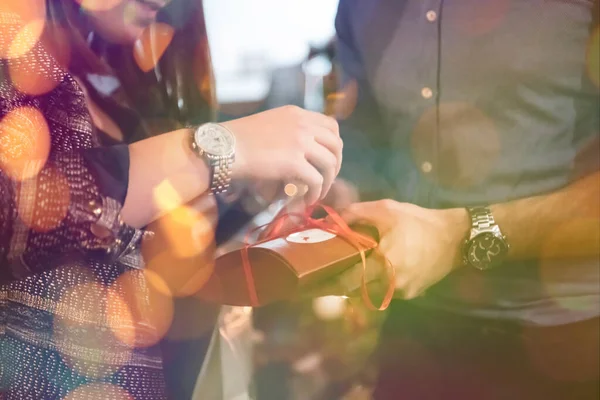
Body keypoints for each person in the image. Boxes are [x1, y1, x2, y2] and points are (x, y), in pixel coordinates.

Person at [0, 0, 342, 398]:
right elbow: (20, 212)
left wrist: (256, 196)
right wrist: (218, 149)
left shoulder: (115, 79)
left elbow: (136, 243)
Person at [327, 0, 600, 398]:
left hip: (565, 337)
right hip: (412, 327)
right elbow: (368, 138)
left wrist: (456, 237)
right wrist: (341, 195)